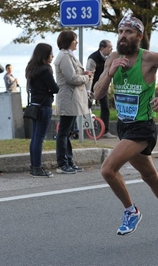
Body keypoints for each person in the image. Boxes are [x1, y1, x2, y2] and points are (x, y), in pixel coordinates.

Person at [93, 15, 158, 240]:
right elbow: (97, 93)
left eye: (128, 32)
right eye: (120, 32)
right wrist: (110, 71)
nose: (123, 36)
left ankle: (131, 211)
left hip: (143, 127)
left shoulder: (149, 58)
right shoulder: (113, 58)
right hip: (124, 127)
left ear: (139, 36)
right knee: (149, 175)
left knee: (108, 170)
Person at [54, 30, 92, 174]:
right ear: (68, 41)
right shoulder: (64, 56)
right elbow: (71, 78)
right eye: (75, 39)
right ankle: (62, 163)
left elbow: (75, 74)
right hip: (68, 98)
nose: (77, 42)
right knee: (64, 132)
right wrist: (86, 78)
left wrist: (83, 75)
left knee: (68, 131)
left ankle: (69, 160)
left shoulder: (69, 56)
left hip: (72, 98)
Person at [25, 43, 59, 177]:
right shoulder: (45, 70)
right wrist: (50, 88)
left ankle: (34, 166)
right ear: (45, 55)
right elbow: (55, 88)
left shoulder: (31, 68)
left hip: (34, 105)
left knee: (35, 138)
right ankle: (37, 167)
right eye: (51, 54)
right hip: (44, 106)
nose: (52, 56)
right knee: (39, 138)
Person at [86, 39, 115, 138]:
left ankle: (105, 131)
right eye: (110, 47)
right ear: (102, 48)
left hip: (102, 86)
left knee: (105, 107)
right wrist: (88, 91)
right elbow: (90, 75)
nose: (112, 49)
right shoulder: (92, 58)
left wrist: (108, 87)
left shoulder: (109, 58)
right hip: (92, 85)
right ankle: (83, 130)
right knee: (86, 107)